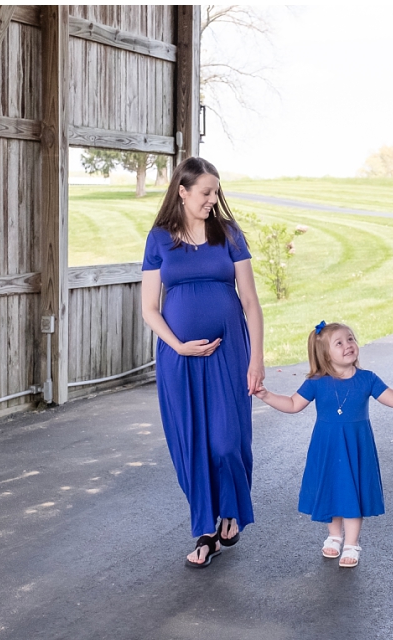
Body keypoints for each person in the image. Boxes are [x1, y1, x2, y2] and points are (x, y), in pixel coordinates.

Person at [141, 156, 265, 568]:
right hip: (180, 360)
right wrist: (178, 346)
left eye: (216, 192)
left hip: (229, 353)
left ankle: (231, 509)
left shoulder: (228, 234)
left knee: (226, 443)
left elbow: (249, 300)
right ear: (182, 191)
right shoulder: (159, 239)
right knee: (192, 445)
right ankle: (206, 531)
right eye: (205, 192)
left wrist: (257, 358)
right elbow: (149, 309)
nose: (213, 199)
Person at [256, 322, 393, 568]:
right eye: (339, 343)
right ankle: (334, 535)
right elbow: (292, 405)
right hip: (327, 447)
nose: (348, 346)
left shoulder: (367, 379)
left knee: (353, 490)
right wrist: (266, 395)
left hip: (356, 446)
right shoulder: (316, 382)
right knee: (332, 488)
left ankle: (352, 543)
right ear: (325, 354)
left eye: (351, 339)